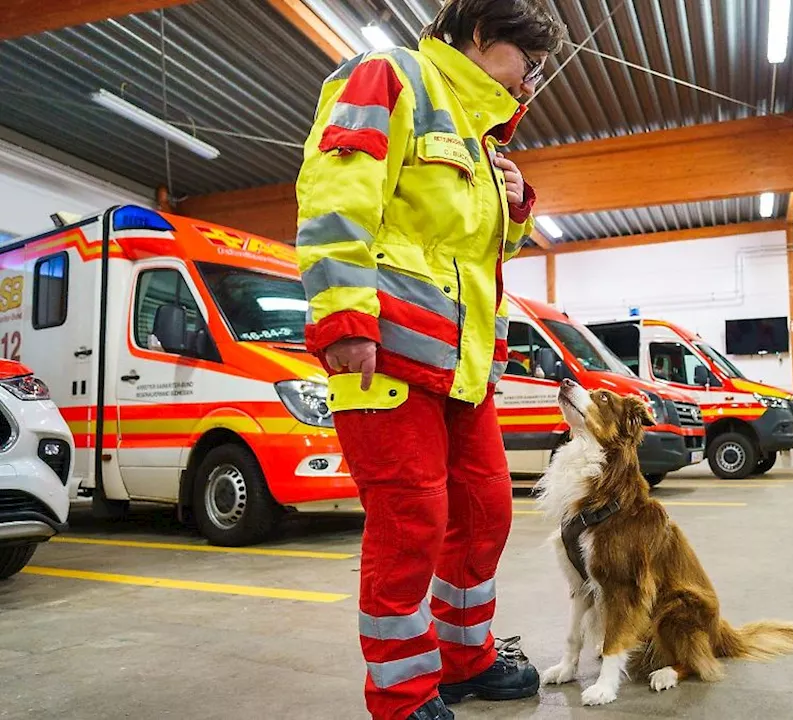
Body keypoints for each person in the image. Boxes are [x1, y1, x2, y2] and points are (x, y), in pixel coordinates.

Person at [294, 3, 566, 719]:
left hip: (462, 367)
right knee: (410, 522)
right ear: (481, 36)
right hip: (384, 356)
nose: (531, 81)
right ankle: (401, 693)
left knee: (484, 511)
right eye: (526, 62)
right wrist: (344, 320)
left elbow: (476, 256)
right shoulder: (390, 77)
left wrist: (518, 209)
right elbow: (334, 200)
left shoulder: (479, 140)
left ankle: (462, 661)